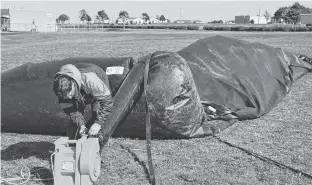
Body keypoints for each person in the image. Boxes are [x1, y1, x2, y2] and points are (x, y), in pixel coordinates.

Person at [52, 63, 113, 151]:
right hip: (80, 93)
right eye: (66, 97)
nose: (69, 97)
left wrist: (98, 123)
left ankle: (95, 152)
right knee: (75, 124)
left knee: (97, 115)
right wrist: (81, 125)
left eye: (70, 94)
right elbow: (72, 111)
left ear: (72, 84)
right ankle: (72, 150)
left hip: (96, 90)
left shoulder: (91, 80)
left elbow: (107, 102)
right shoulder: (61, 92)